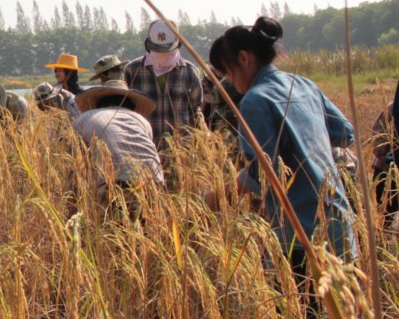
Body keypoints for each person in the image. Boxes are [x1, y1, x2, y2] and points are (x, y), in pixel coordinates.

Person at [209, 16, 357, 266]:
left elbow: (263, 173)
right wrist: (306, 141)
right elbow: (345, 132)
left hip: (301, 233)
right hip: (340, 225)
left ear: (243, 58)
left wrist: (217, 198)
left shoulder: (255, 101)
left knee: (296, 293)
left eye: (226, 72)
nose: (228, 81)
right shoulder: (304, 84)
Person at [124, 20, 205, 148]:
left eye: (166, 51)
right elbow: (125, 111)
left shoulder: (190, 72)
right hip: (144, 148)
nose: (163, 55)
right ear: (150, 45)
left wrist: (203, 141)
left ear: (177, 44)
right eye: (158, 51)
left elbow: (196, 110)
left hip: (181, 150)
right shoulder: (132, 71)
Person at [72, 81, 165, 191]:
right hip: (153, 179)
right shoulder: (142, 120)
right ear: (130, 103)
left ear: (100, 102)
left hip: (114, 182)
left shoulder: (86, 117)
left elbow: (74, 158)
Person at [371, 81, 399, 221]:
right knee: (384, 218)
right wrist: (388, 153)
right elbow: (377, 139)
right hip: (386, 172)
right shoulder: (392, 109)